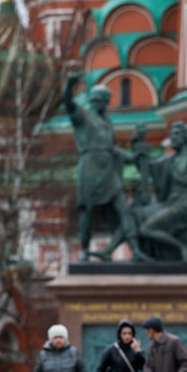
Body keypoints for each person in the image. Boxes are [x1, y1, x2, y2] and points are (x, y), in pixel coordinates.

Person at [63, 75, 147, 261]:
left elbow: (112, 149)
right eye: (106, 102)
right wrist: (70, 84)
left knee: (124, 208)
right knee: (88, 210)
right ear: (96, 100)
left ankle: (135, 249)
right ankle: (85, 250)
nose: (107, 105)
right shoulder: (82, 116)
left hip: (109, 169)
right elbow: (68, 103)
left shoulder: (108, 122)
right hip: (90, 167)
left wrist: (132, 158)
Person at [137, 121, 187, 262]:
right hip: (169, 202)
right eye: (172, 135)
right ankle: (149, 255)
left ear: (185, 137)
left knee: (147, 229)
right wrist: (140, 151)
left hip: (185, 204)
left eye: (176, 134)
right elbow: (149, 167)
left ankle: (182, 248)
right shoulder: (171, 160)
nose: (172, 138)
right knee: (139, 214)